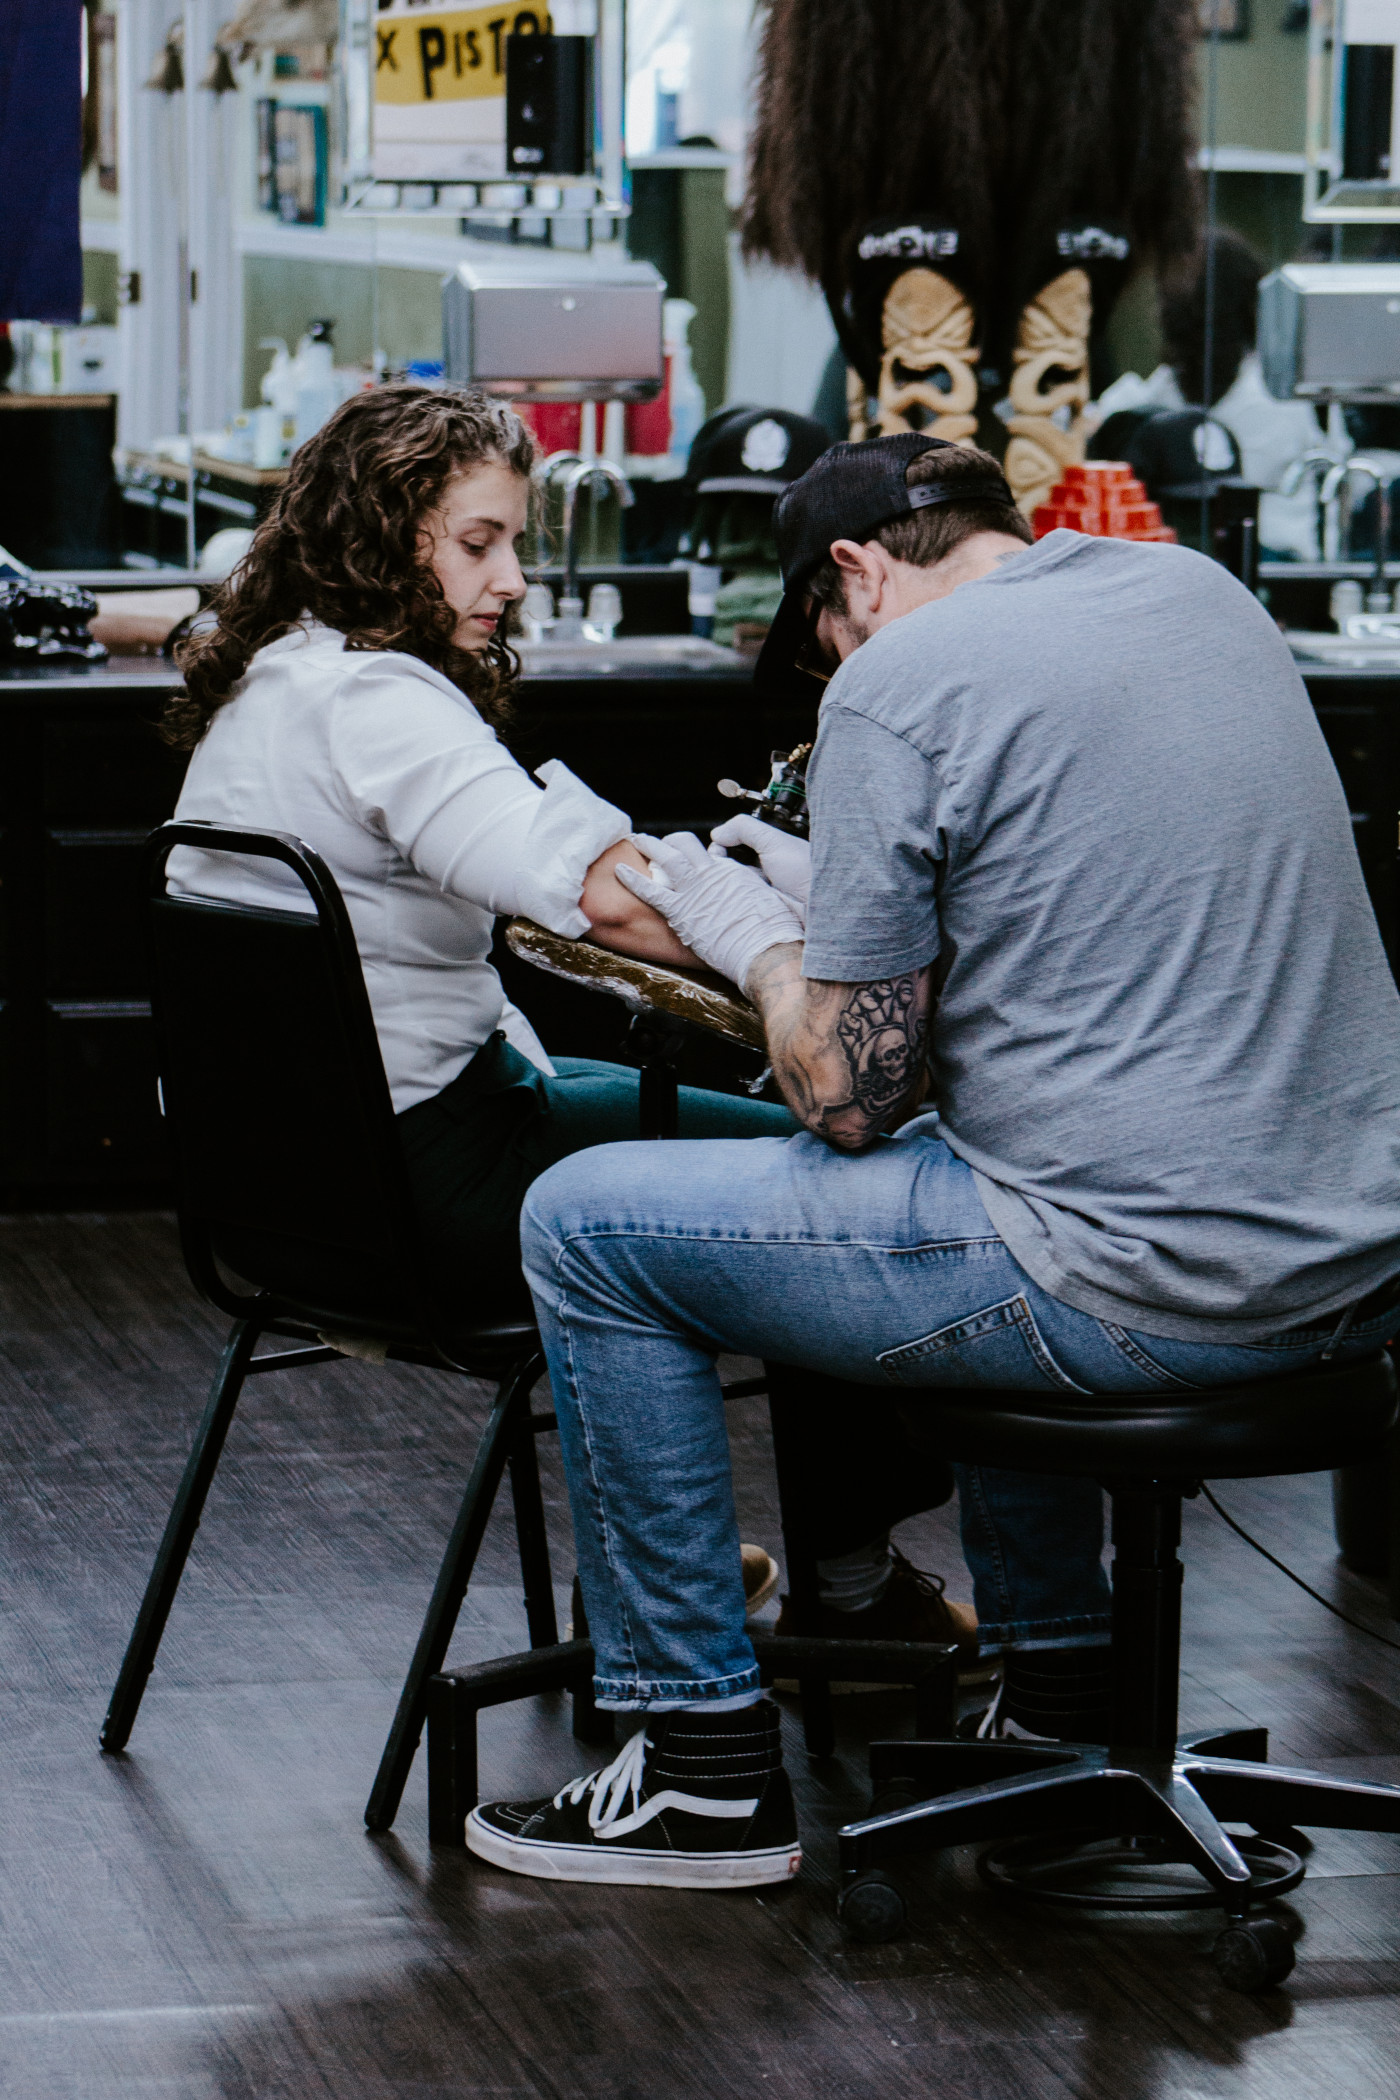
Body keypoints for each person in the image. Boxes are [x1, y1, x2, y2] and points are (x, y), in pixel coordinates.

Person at [462, 431, 1400, 1893]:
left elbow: (846, 1100)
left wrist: (754, 924)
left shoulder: (898, 681)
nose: (836, 669)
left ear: (853, 574)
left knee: (585, 1220)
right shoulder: (1202, 596)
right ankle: (1064, 1699)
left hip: (1157, 1293)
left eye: (828, 639)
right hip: (1356, 1273)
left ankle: (699, 1765)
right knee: (995, 1161)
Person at [163, 384, 967, 1646]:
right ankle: (851, 1598)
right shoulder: (376, 701)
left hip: (283, 1199)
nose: (515, 578)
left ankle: (688, 1570)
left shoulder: (276, 681)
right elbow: (585, 891)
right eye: (479, 542)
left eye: (515, 543)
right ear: (383, 534)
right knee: (828, 1177)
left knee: (686, 1127)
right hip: (426, 1181)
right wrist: (787, 957)